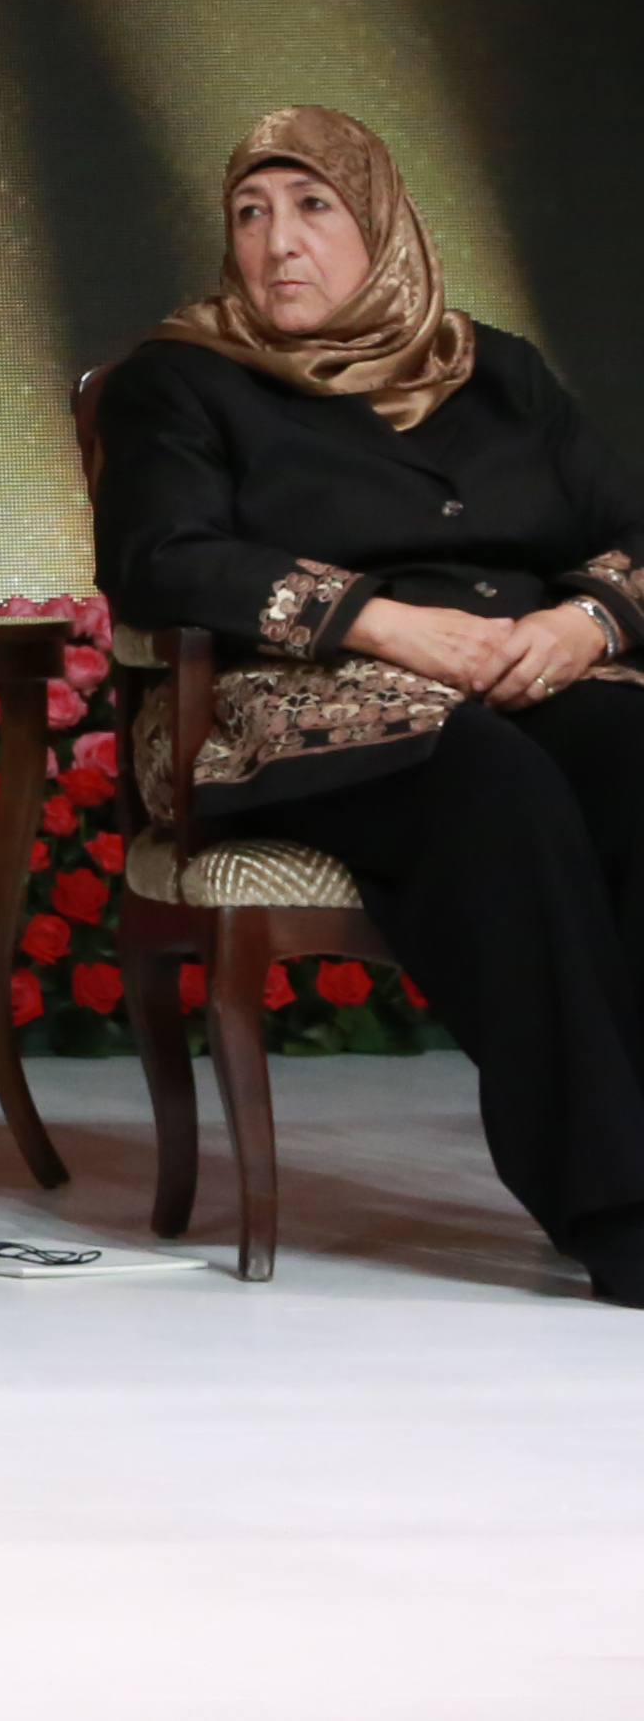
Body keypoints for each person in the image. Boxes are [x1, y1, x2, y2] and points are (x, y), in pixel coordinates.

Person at [91, 105, 644, 1298]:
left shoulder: (499, 371)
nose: (279, 243)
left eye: (312, 207)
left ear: (383, 223)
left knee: (632, 751)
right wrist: (378, 623)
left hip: (521, 674)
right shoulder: (181, 380)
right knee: (495, 788)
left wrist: (580, 621)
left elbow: (626, 532)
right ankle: (618, 1205)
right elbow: (160, 558)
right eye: (251, 214)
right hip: (291, 707)